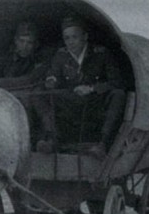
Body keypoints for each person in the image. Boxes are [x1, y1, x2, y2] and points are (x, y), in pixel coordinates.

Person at [33, 16, 127, 158]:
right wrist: (51, 80)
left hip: (95, 104)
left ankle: (102, 144)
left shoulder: (100, 54)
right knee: (38, 93)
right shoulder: (61, 55)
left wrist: (92, 89)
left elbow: (117, 82)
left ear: (85, 37)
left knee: (118, 94)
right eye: (67, 38)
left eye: (74, 37)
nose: (70, 42)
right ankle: (51, 138)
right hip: (70, 103)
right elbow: (53, 73)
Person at [0, 21, 52, 91]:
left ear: (36, 45)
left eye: (29, 43)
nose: (25, 46)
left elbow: (31, 80)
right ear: (16, 40)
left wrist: (0, 82)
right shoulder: (3, 56)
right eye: (21, 41)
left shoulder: (41, 58)